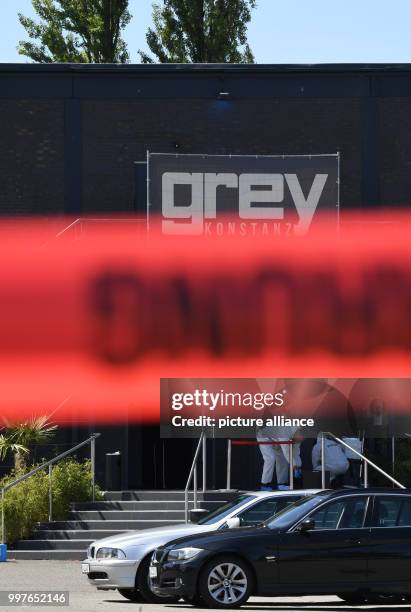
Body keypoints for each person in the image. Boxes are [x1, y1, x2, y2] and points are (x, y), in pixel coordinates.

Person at [257, 422, 302, 491]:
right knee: (270, 458)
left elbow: (296, 452)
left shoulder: (298, 435)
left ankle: (281, 484)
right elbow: (287, 452)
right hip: (263, 435)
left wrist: (299, 466)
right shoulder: (285, 432)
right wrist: (294, 465)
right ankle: (265, 484)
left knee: (282, 459)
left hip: (275, 438)